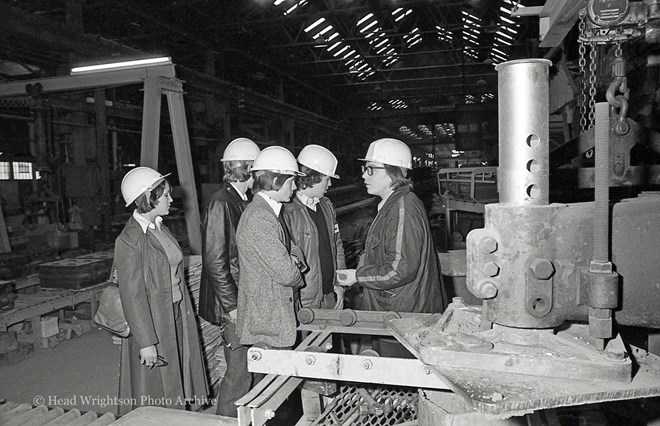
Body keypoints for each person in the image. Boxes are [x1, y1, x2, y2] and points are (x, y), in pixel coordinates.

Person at [336, 138, 446, 356]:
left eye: (370, 169)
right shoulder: (392, 205)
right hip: (395, 313)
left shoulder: (402, 210)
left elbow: (399, 270)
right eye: (363, 169)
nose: (363, 175)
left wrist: (357, 276)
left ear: (391, 172)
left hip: (405, 319)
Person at [114, 166, 208, 415]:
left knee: (178, 378)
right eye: (165, 194)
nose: (171, 198)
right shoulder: (130, 240)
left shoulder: (159, 228)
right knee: (156, 391)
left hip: (175, 313)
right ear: (149, 198)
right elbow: (132, 295)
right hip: (153, 321)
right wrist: (146, 342)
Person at [198, 138, 260, 417]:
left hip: (244, 298)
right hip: (233, 305)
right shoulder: (221, 202)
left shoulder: (242, 200)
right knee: (238, 374)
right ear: (248, 168)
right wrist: (232, 306)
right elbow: (214, 261)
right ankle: (224, 419)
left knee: (249, 369)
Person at [236, 146, 306, 349]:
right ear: (276, 181)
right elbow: (286, 274)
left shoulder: (270, 212)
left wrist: (292, 261)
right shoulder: (260, 217)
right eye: (291, 182)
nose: (294, 188)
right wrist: (292, 264)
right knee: (274, 380)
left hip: (272, 317)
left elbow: (294, 252)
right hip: (268, 322)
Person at [281, 144, 346, 311]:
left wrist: (340, 284)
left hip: (329, 295)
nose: (330, 183)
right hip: (304, 301)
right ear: (313, 177)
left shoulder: (326, 205)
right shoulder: (287, 211)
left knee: (329, 337)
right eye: (327, 178)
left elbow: (337, 245)